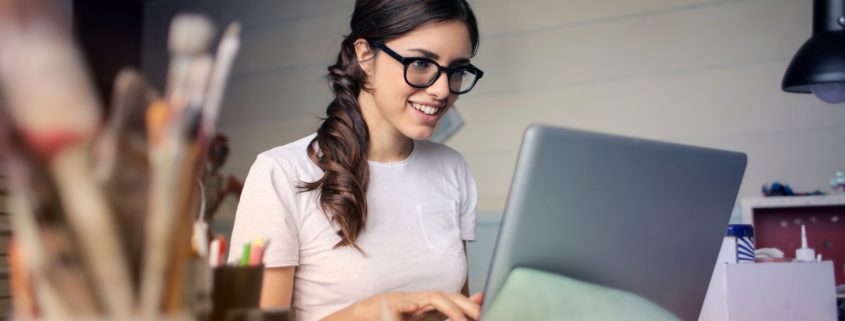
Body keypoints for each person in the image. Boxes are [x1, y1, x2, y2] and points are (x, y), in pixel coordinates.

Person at [228, 0, 485, 320]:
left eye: (457, 70)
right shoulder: (279, 173)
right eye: (421, 64)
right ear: (365, 55)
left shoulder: (453, 168)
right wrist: (373, 311)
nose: (443, 90)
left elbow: (459, 307)